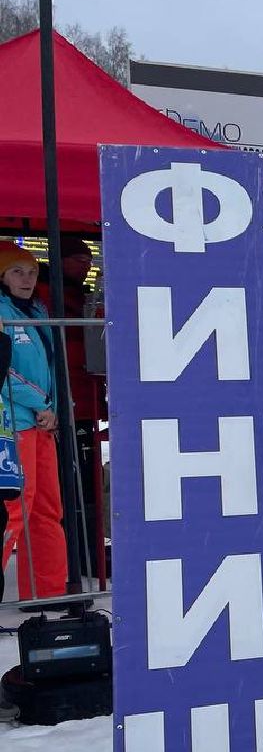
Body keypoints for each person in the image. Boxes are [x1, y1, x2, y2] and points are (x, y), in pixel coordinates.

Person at [0, 242, 68, 599]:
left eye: (32, 272)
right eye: (17, 272)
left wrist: (54, 406)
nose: (26, 279)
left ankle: (47, 594)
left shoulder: (36, 310)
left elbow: (49, 369)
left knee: (46, 510)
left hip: (42, 424)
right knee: (13, 510)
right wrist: (41, 403)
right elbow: (4, 370)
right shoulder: (2, 312)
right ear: (2, 277)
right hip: (13, 425)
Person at [36, 236, 106, 578]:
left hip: (83, 399)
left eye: (88, 258)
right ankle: (76, 558)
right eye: (79, 258)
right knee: (70, 483)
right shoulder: (47, 295)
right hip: (65, 401)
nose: (86, 264)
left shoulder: (76, 293)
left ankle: (87, 554)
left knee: (85, 481)